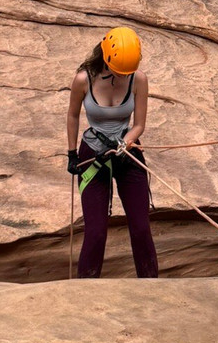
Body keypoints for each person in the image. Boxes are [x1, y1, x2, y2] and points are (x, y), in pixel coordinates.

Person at [66, 27, 158, 279]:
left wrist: (126, 142)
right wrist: (72, 153)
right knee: (95, 231)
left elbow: (139, 123)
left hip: (127, 153)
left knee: (140, 228)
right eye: (118, 70)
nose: (122, 76)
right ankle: (86, 289)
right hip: (93, 154)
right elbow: (73, 115)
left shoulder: (138, 79)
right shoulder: (83, 79)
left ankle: (152, 286)